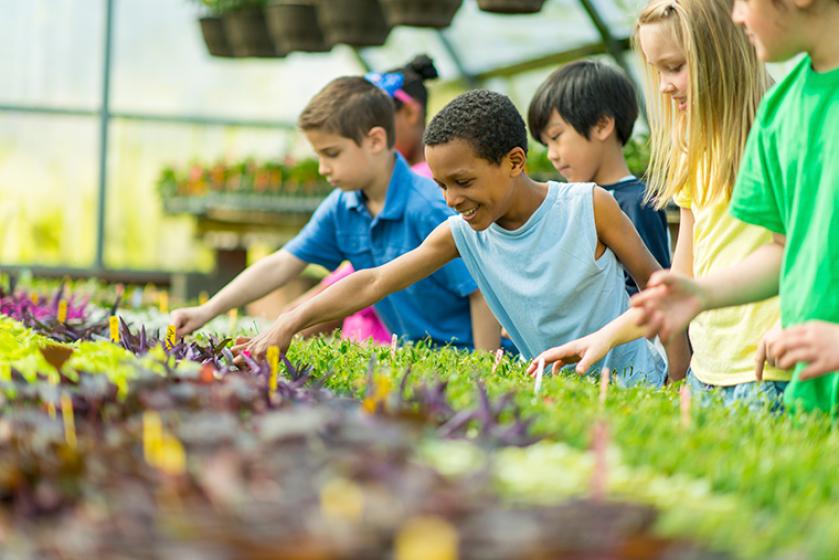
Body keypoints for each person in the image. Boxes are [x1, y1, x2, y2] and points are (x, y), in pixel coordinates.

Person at [236, 90, 687, 388]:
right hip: (556, 393)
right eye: (441, 185)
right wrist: (288, 324)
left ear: (514, 162)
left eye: (463, 181)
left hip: (639, 385)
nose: (452, 199)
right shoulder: (463, 233)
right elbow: (372, 282)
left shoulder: (588, 206)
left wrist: (678, 379)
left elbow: (661, 290)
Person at [529, 0, 790, 407]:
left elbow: (799, 255)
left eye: (675, 67)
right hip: (708, 373)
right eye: (658, 71)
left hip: (766, 371)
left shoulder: (781, 134)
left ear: (722, 54)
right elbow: (681, 280)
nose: (665, 86)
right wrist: (604, 337)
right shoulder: (694, 149)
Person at [173, 76, 501, 351]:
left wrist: (482, 371)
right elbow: (282, 263)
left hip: (463, 357)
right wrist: (207, 311)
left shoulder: (429, 206)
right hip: (415, 356)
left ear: (375, 141)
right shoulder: (342, 206)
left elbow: (482, 292)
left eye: (332, 153)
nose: (322, 168)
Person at [631, 0, 839, 415]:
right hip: (808, 392)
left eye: (743, 0)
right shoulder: (782, 111)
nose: (737, 16)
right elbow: (784, 250)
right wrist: (701, 294)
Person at [303, 55, 443, 345]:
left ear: (410, 112)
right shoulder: (367, 190)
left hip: (390, 339)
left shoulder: (426, 186)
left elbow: (364, 277)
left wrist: (293, 320)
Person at [527, 59, 671, 295]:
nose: (552, 154)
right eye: (546, 144)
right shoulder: (573, 203)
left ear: (602, 126)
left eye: (556, 137)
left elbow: (652, 288)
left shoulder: (637, 202)